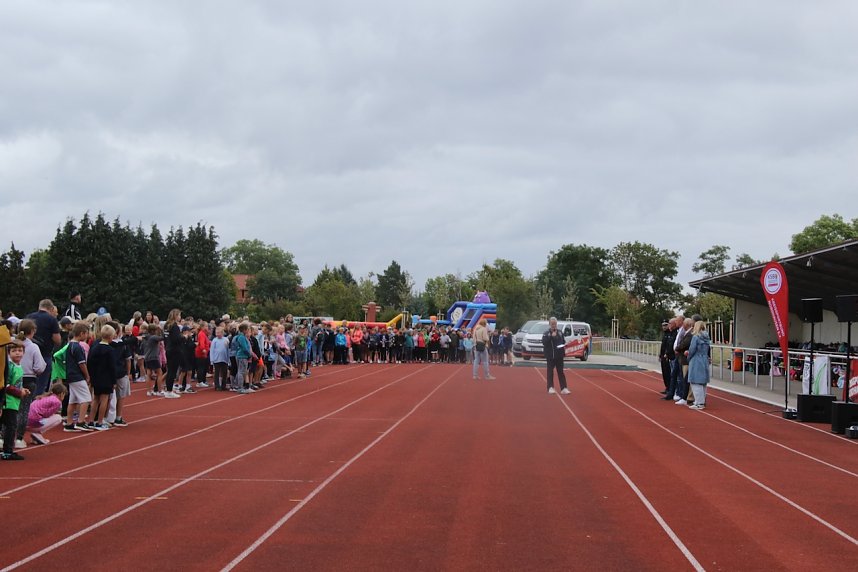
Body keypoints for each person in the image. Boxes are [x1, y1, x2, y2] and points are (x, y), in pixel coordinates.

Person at [15, 320, 47, 450]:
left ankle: (5, 435)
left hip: (12, 378)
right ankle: (19, 438)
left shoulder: (12, 344)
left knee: (10, 409)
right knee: (23, 410)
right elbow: (39, 367)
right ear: (32, 331)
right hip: (28, 378)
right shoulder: (33, 347)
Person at [26, 299, 61, 396]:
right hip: (45, 355)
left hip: (27, 355)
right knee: (40, 386)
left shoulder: (29, 317)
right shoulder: (51, 319)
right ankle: (35, 406)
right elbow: (57, 340)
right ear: (51, 308)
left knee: (26, 385)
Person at [1, 340, 30, 460]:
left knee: (11, 425)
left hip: (14, 401)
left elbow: (16, 383)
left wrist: (23, 389)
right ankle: (7, 451)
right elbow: (6, 385)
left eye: (20, 351)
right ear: (8, 353)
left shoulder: (19, 367)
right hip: (7, 402)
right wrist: (19, 392)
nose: (17, 353)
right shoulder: (10, 366)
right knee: (11, 426)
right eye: (14, 351)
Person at [86, 325, 118, 431]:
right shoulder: (110, 350)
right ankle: (100, 422)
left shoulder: (94, 347)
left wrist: (91, 375)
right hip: (106, 378)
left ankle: (91, 421)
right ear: (111, 337)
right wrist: (114, 381)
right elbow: (112, 367)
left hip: (96, 377)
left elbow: (89, 362)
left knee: (95, 399)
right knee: (104, 399)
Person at [64, 322, 92, 431]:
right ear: (81, 334)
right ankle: (81, 422)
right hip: (77, 376)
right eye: (86, 334)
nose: (87, 336)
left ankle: (69, 423)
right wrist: (87, 375)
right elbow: (81, 363)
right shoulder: (78, 347)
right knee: (86, 398)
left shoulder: (69, 345)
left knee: (73, 400)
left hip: (70, 375)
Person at [686, 321, 711, 410]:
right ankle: (701, 401)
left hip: (696, 359)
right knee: (703, 382)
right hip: (704, 359)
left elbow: (692, 349)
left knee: (695, 381)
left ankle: (699, 402)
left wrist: (688, 357)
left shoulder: (695, 337)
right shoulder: (707, 338)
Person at [542, 317, 569, 394]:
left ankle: (564, 388)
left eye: (555, 324)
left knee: (561, 372)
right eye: (552, 324)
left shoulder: (560, 332)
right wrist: (551, 336)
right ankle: (550, 387)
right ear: (549, 324)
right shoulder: (546, 333)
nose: (554, 325)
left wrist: (565, 345)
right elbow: (544, 342)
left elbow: (563, 341)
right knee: (550, 372)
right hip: (550, 356)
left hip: (559, 356)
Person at [209, 326, 230, 391]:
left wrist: (228, 359)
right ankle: (217, 385)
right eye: (216, 333)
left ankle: (223, 385)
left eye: (219, 333)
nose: (217, 334)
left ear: (222, 333)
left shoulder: (226, 340)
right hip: (216, 359)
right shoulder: (214, 340)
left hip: (224, 359)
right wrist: (212, 360)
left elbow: (228, 350)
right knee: (217, 373)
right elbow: (212, 350)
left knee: (224, 373)